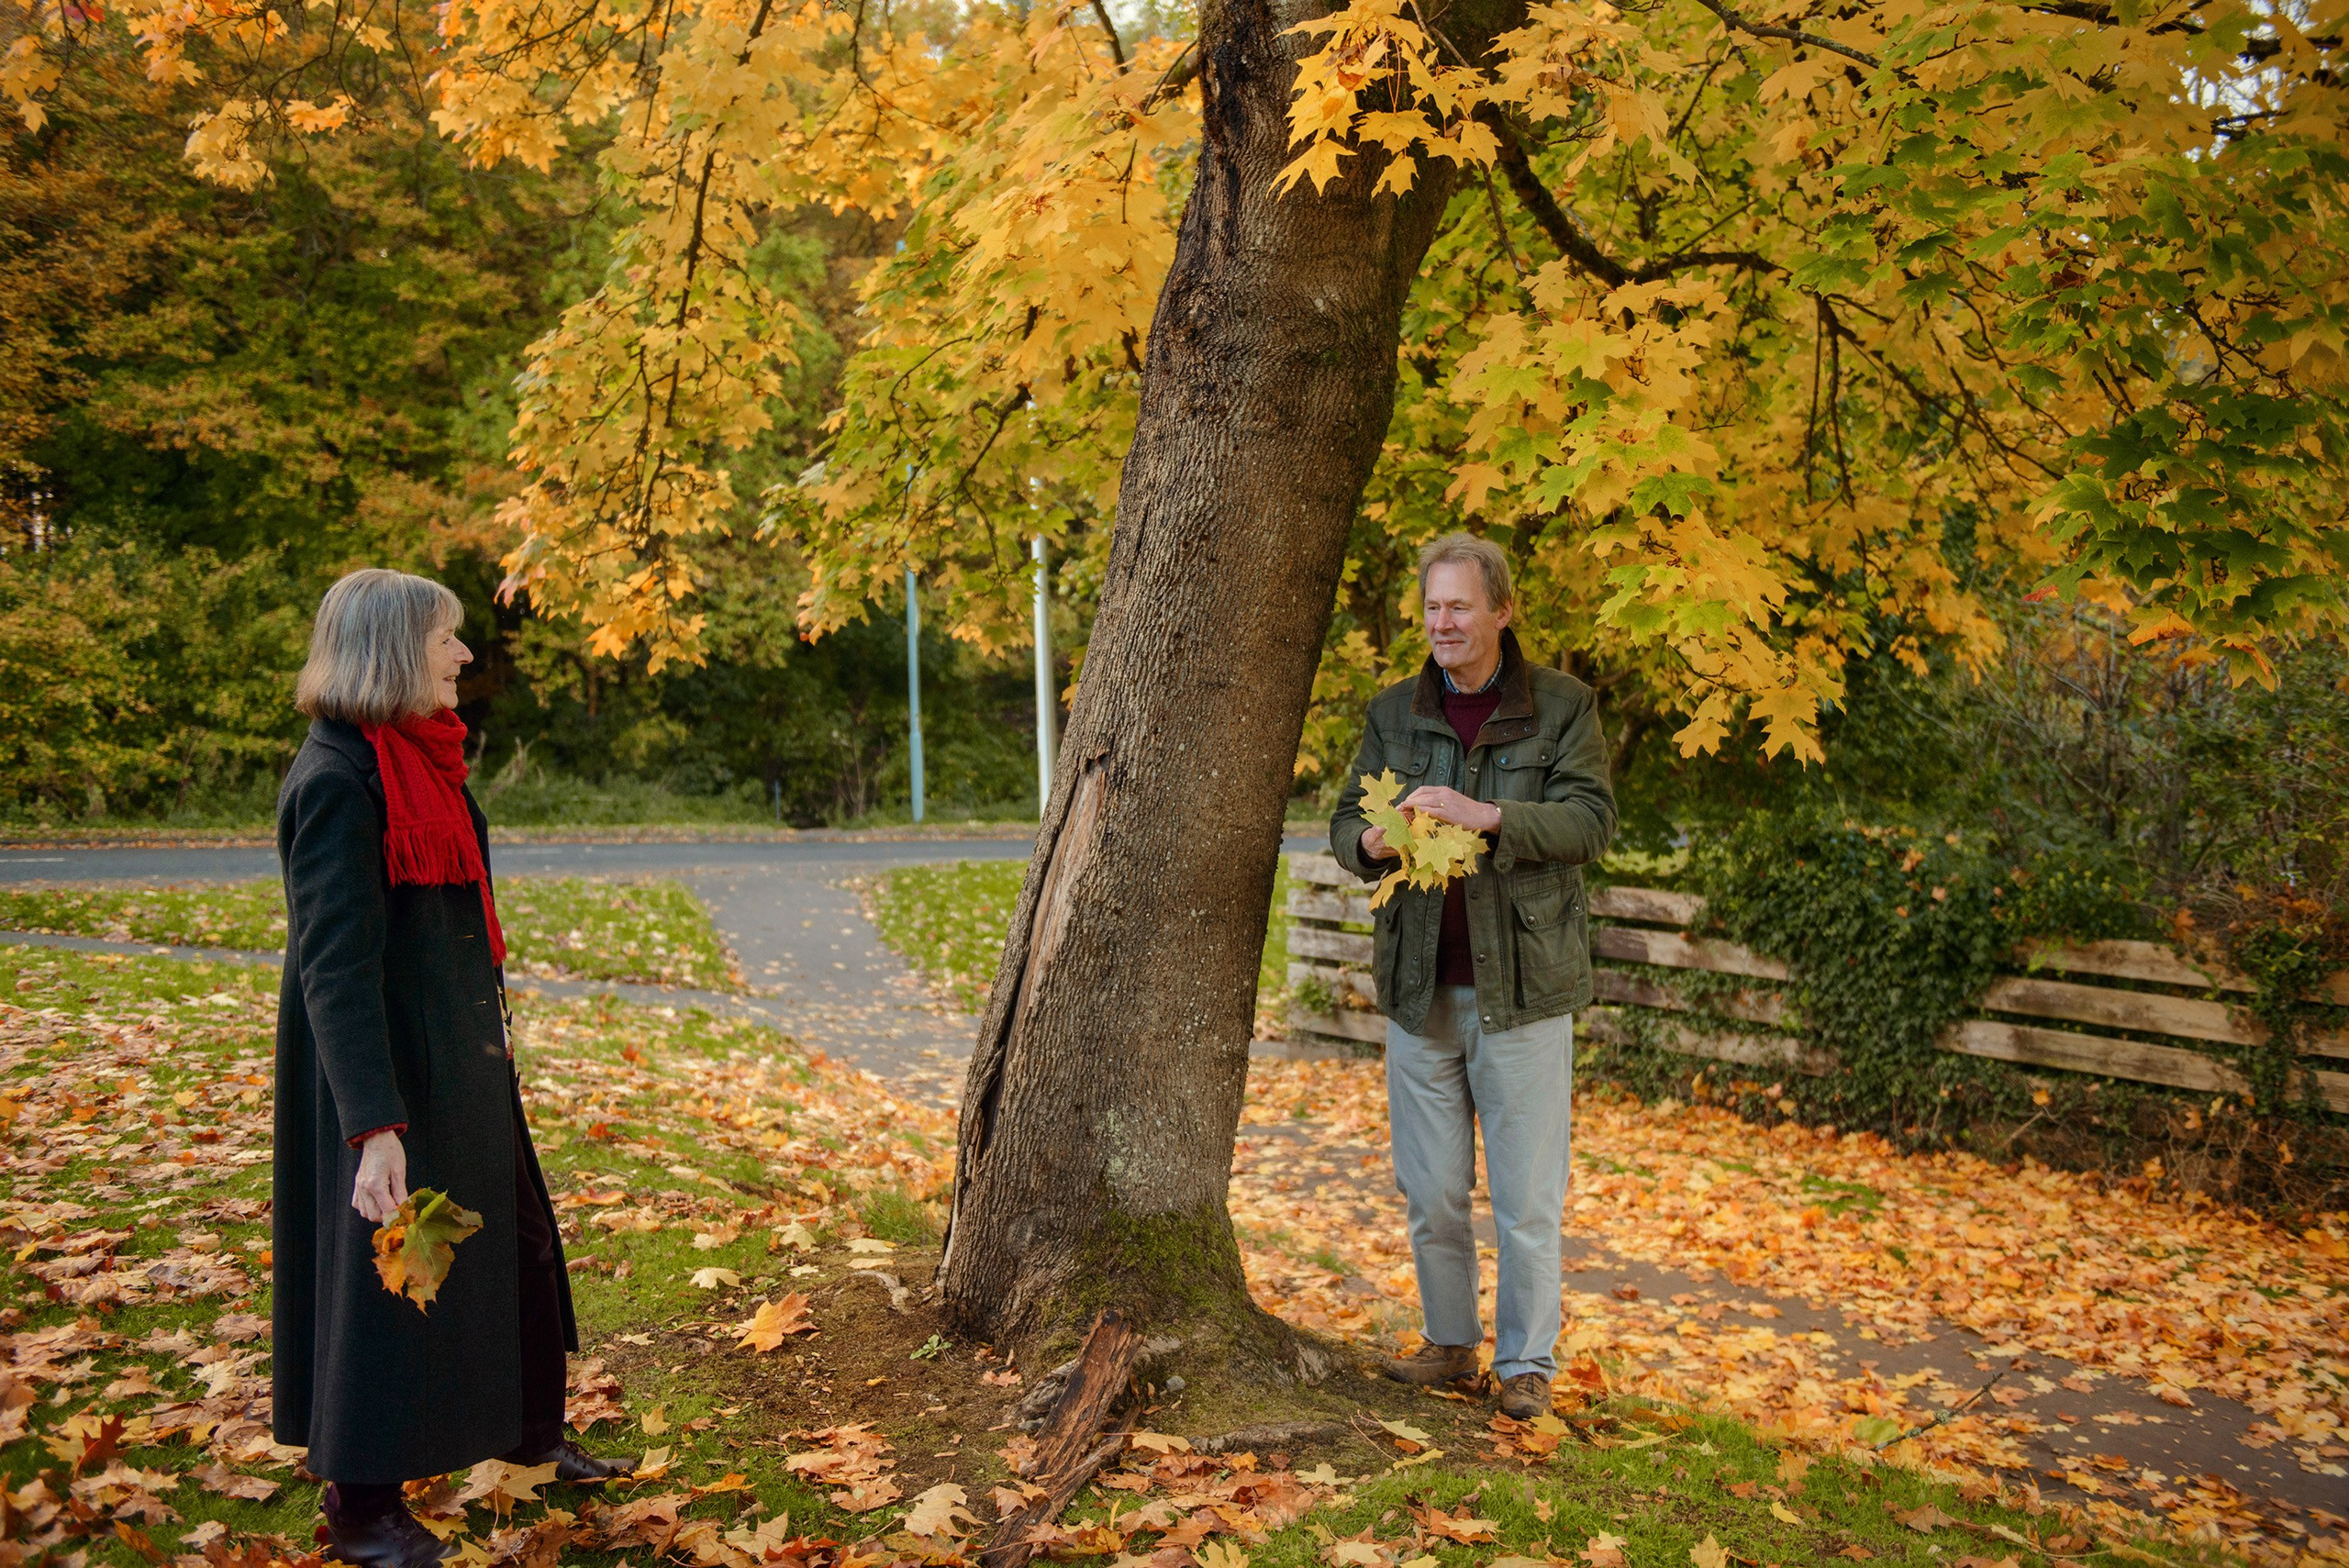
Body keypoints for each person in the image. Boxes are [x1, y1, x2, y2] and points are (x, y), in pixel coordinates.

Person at [273, 569, 629, 1568]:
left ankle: (528, 1432)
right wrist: (372, 1124)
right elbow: (335, 970)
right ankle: (363, 1505)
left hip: (459, 1061)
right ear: (393, 649)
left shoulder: (420, 759)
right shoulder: (338, 778)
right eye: (446, 638)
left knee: (515, 1238)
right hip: (382, 1076)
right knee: (391, 1275)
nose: (464, 655)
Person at [1328, 533, 1617, 1420]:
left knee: (1527, 1196)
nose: (1442, 622)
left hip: (1524, 989)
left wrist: (1484, 814)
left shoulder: (1562, 706)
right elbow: (1345, 823)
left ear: (1501, 611)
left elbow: (1589, 824)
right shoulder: (1395, 712)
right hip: (1420, 991)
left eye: (1459, 606)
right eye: (1432, 606)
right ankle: (1450, 1344)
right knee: (1432, 1189)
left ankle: (1527, 1362)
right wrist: (1372, 842)